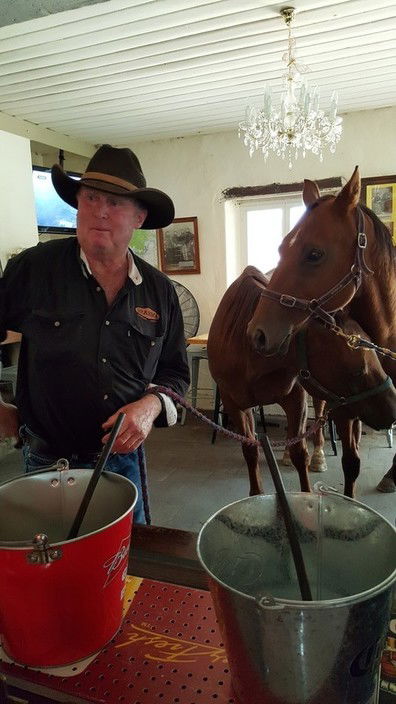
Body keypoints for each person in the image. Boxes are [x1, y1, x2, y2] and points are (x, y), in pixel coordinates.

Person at [0, 144, 190, 523]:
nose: (100, 211)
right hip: (45, 464)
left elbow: (175, 374)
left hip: (123, 463)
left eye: (116, 202)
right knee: (49, 571)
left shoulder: (159, 291)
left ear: (139, 217)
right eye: (91, 197)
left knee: (126, 569)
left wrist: (149, 408)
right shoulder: (34, 269)